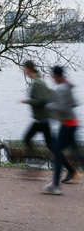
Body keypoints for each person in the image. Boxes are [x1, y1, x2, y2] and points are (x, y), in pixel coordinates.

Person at [19, 60, 72, 177]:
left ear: (29, 69)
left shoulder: (38, 83)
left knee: (28, 139)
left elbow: (42, 101)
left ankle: (35, 167)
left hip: (42, 120)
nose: (24, 71)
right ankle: (71, 170)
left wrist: (27, 101)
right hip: (41, 120)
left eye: (25, 69)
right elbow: (49, 95)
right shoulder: (38, 81)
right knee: (52, 146)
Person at [42, 65, 84, 195]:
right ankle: (56, 182)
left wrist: (48, 105)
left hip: (66, 125)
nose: (51, 77)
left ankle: (55, 184)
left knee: (57, 151)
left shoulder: (60, 88)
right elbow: (75, 103)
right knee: (76, 153)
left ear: (55, 75)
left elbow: (61, 108)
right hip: (73, 123)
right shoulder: (68, 85)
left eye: (52, 75)